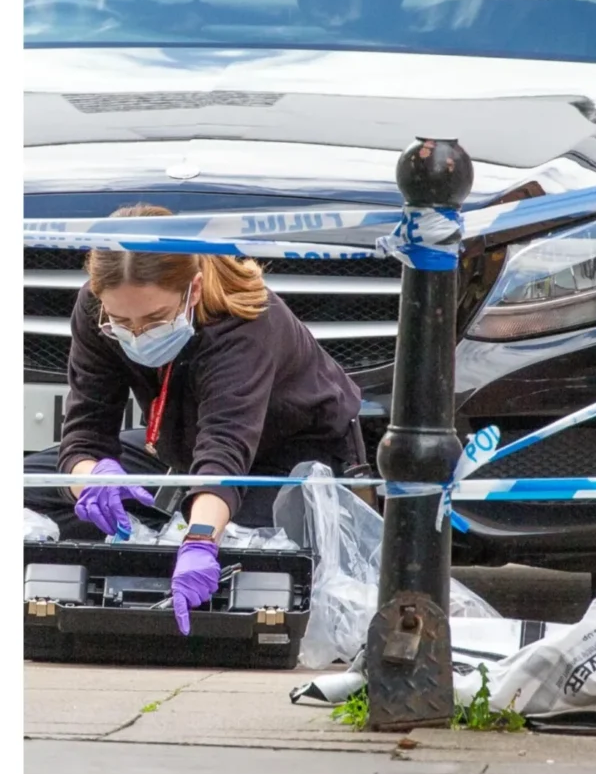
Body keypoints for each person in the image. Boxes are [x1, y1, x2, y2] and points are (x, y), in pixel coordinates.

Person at [26, 205, 370, 635]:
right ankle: (161, 535)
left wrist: (201, 539)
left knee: (259, 549)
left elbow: (225, 449)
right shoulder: (95, 309)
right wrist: (89, 479)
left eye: (154, 319)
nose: (137, 333)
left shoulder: (246, 322)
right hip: (184, 455)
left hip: (288, 463)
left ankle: (178, 536)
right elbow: (85, 432)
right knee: (28, 487)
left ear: (194, 288)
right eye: (121, 321)